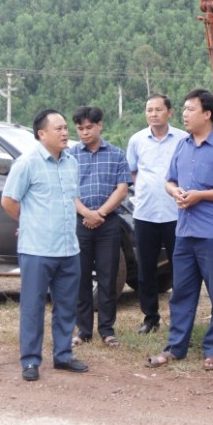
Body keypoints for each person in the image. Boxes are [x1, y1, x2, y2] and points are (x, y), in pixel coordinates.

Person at [145, 88, 213, 371]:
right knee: (182, 294)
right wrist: (175, 192)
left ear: (207, 114)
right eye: (185, 109)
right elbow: (170, 180)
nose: (185, 115)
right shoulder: (182, 145)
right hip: (185, 233)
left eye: (190, 109)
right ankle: (175, 348)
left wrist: (200, 195)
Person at [1, 109, 88, 382]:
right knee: (33, 306)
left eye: (65, 128)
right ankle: (30, 360)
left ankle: (63, 355)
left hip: (67, 248)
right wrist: (30, 222)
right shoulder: (27, 163)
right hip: (37, 249)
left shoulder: (71, 162)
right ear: (42, 134)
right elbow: (9, 201)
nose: (65, 133)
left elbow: (71, 199)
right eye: (59, 129)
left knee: (66, 306)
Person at [69, 106, 131, 347]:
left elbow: (122, 188)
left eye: (89, 127)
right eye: (80, 128)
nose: (85, 132)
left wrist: (100, 213)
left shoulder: (116, 154)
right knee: (81, 277)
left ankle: (107, 329)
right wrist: (86, 213)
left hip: (108, 223)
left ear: (100, 126)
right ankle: (83, 330)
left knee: (108, 277)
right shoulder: (71, 155)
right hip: (80, 221)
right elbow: (68, 190)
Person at [126, 94, 184, 334]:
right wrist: (144, 190)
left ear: (169, 112)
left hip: (176, 214)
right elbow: (132, 171)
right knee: (146, 268)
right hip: (146, 213)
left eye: (158, 109)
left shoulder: (183, 139)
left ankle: (180, 317)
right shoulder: (137, 140)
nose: (153, 114)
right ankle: (150, 318)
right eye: (149, 110)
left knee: (180, 267)